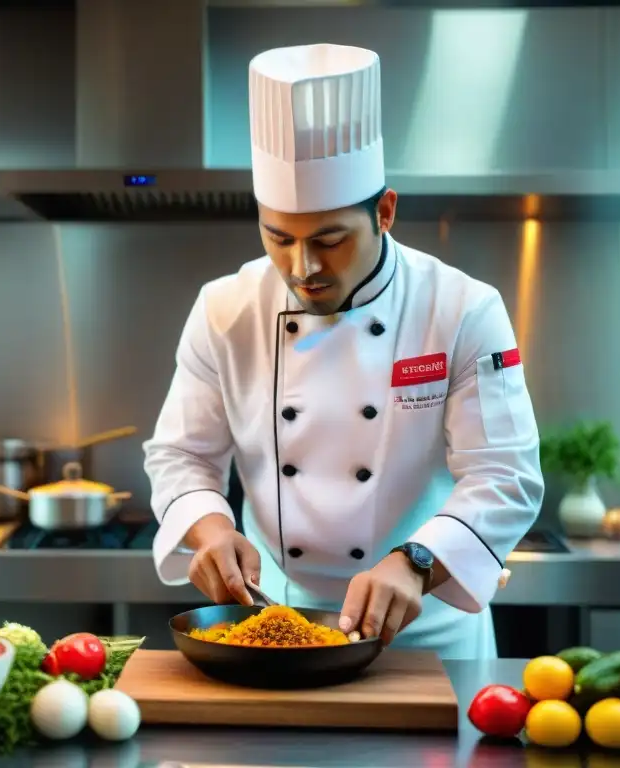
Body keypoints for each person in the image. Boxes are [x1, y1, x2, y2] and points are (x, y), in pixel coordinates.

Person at [143, 43, 544, 659]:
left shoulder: (462, 308)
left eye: (330, 240)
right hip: (273, 624)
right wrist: (211, 527)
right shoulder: (224, 308)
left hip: (426, 636)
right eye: (279, 238)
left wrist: (415, 561)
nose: (302, 268)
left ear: (384, 211)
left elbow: (504, 474)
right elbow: (180, 454)